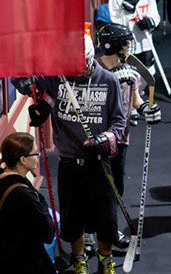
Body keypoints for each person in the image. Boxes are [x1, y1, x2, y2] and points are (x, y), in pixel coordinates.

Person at [12, 35, 127, 274]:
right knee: (73, 218)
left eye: (81, 66)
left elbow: (119, 122)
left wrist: (104, 140)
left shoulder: (108, 80)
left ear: (90, 58)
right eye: (72, 67)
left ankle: (106, 260)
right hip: (69, 161)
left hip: (98, 160)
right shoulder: (58, 77)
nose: (77, 71)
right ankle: (79, 259)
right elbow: (21, 78)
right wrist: (35, 94)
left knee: (106, 218)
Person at [96, 23, 162, 251]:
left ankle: (111, 229)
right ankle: (88, 233)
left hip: (120, 139)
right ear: (114, 45)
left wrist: (145, 109)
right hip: (96, 139)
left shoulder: (129, 69)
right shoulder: (95, 70)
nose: (128, 46)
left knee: (116, 187)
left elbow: (134, 97)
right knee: (93, 188)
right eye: (125, 42)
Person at [0, 132, 57, 274]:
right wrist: (40, 199)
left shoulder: (4, 179)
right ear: (22, 160)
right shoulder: (24, 195)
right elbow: (48, 233)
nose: (38, 156)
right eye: (35, 153)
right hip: (25, 262)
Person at [109, 0, 161, 75]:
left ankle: (142, 91)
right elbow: (115, 22)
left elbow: (155, 15)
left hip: (145, 40)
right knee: (129, 73)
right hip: (128, 44)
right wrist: (126, 10)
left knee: (150, 71)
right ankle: (133, 92)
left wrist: (150, 22)